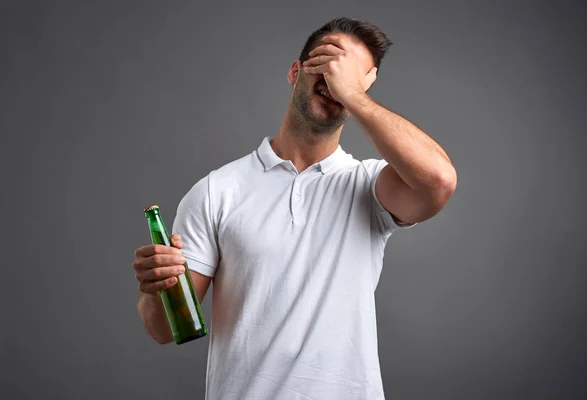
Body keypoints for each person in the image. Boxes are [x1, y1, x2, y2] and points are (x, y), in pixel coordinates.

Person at [132, 17, 457, 400]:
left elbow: (439, 181)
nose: (334, 75)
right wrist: (156, 289)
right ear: (295, 71)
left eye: (349, 71)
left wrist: (352, 94)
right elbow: (164, 330)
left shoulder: (369, 187)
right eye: (326, 60)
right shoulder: (216, 191)